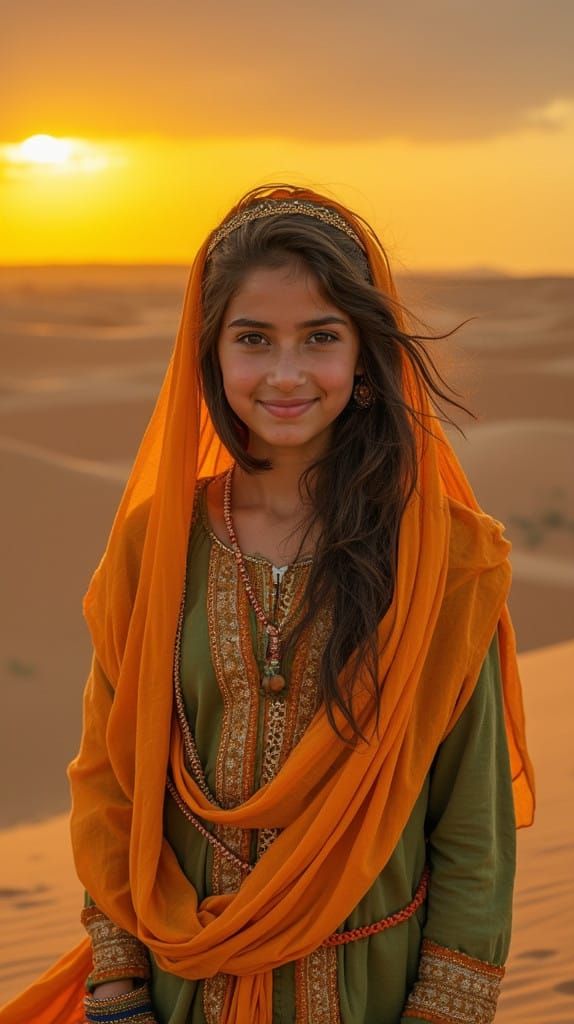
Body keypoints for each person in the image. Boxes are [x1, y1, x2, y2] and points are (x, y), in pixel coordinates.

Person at [0, 184, 535, 1024]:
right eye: (254, 340)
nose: (286, 373)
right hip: (183, 994)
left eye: (320, 337)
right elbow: (110, 781)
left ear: (364, 356)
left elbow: (473, 830)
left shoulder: (444, 557)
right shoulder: (157, 544)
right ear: (210, 355)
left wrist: (448, 1009)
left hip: (373, 994)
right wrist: (116, 985)